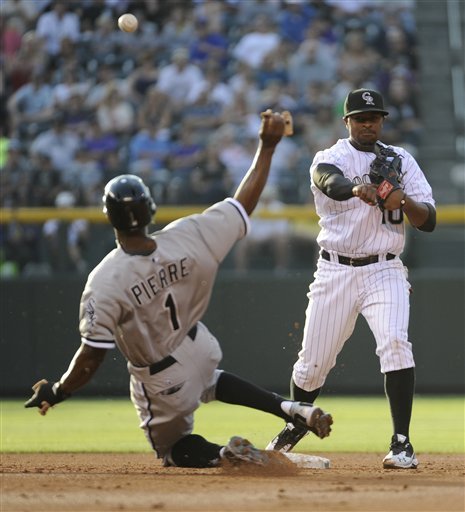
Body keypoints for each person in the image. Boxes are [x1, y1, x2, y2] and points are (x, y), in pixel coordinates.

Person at [24, 110, 333, 468]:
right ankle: (291, 408)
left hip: (161, 375)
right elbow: (242, 204)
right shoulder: (188, 235)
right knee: (210, 381)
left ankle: (224, 454)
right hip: (199, 344)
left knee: (172, 448)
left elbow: (92, 356)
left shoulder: (104, 280)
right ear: (150, 209)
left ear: (108, 217)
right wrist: (267, 146)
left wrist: (58, 390)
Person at [267, 89, 436, 469]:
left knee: (395, 342)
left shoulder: (401, 160)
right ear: (347, 122)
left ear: (382, 121)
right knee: (312, 363)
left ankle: (402, 443)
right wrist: (359, 188)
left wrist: (403, 201)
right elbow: (328, 181)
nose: (368, 124)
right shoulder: (331, 156)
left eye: (374, 117)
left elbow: (429, 221)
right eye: (360, 118)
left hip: (384, 268)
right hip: (335, 269)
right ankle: (296, 423)